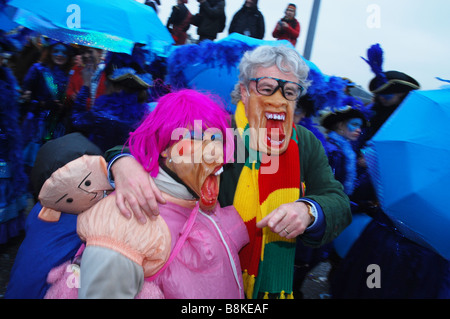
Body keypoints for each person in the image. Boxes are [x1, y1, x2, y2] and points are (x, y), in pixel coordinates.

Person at [107, 45, 352, 299]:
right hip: (201, 274)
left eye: (290, 92)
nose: (278, 100)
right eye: (266, 88)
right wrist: (122, 163)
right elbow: (143, 143)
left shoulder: (305, 144)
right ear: (244, 91)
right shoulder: (216, 128)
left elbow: (337, 200)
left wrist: (309, 210)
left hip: (272, 285)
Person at [71, 48, 152, 153]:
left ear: (118, 88)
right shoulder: (143, 115)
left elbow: (77, 119)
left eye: (108, 82)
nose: (105, 84)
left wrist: (86, 85)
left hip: (100, 163)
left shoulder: (103, 114)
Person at [20, 40, 74, 172]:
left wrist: (64, 108)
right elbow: (23, 99)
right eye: (56, 51)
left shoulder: (69, 75)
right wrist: (43, 104)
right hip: (35, 126)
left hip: (56, 127)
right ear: (49, 52)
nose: (59, 55)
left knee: (47, 166)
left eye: (64, 52)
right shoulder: (38, 70)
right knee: (28, 164)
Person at [0, 41, 29, 244]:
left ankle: (7, 228)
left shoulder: (6, 76)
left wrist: (22, 98)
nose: (3, 59)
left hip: (8, 138)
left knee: (7, 179)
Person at [65, 46, 106, 111]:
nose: (86, 55)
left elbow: (102, 100)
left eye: (90, 52)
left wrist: (82, 98)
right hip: (74, 113)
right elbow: (69, 89)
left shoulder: (105, 72)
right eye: (83, 52)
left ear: (99, 52)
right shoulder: (76, 68)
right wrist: (71, 95)